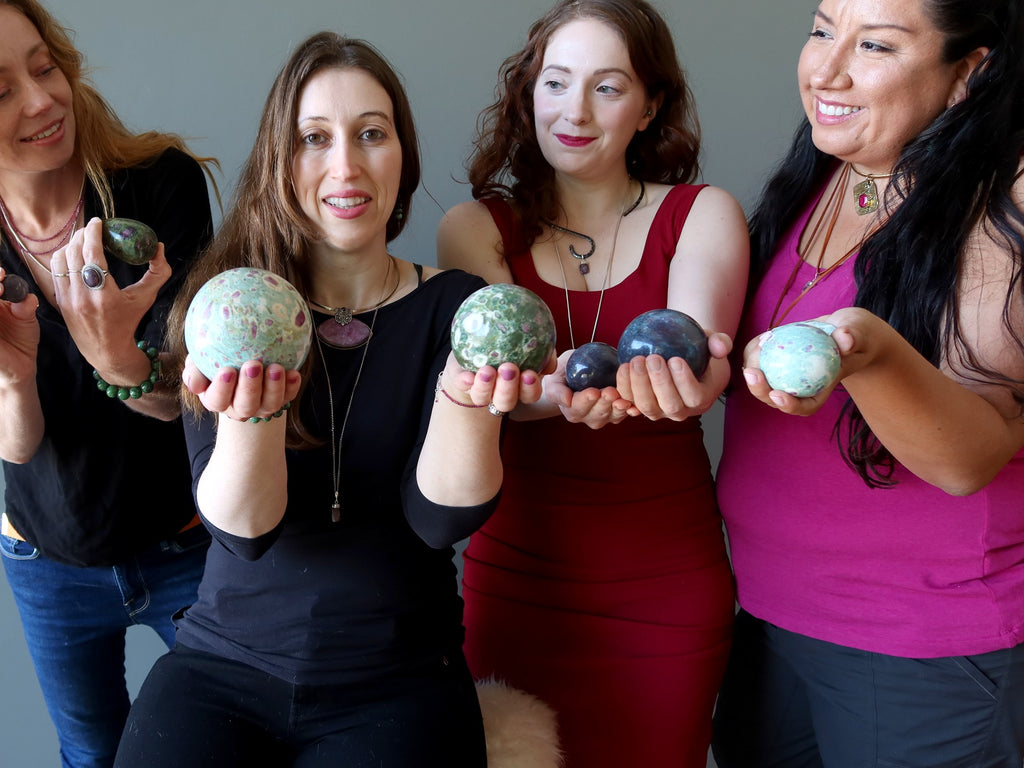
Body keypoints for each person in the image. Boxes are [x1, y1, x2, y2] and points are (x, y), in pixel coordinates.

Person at [113, 32, 548, 768]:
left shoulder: (459, 308)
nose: (345, 166)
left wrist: (463, 399)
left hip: (399, 679)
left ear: (401, 153)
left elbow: (439, 520)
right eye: (314, 138)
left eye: (370, 134)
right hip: (225, 668)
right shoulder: (231, 309)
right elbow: (244, 533)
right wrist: (255, 417)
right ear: (281, 162)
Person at [711, 0, 1024, 765]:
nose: (827, 69)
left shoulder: (1001, 193)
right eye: (822, 30)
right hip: (769, 612)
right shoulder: (833, 168)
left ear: (968, 72)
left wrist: (871, 352)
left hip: (918, 638)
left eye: (875, 45)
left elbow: (970, 456)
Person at [437, 0, 748, 765]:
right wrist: (551, 397)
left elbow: (696, 366)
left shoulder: (701, 214)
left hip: (665, 583)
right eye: (556, 83)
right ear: (528, 94)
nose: (574, 111)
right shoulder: (475, 229)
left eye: (608, 88)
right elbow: (490, 387)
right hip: (517, 574)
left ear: (651, 107)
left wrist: (686, 381)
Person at [0, 2, 217, 766]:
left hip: (185, 542)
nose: (39, 100)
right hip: (45, 559)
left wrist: (117, 359)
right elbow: (15, 448)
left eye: (42, 65)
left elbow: (198, 397)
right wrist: (13, 379)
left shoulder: (158, 187)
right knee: (90, 754)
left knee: (234, 737)